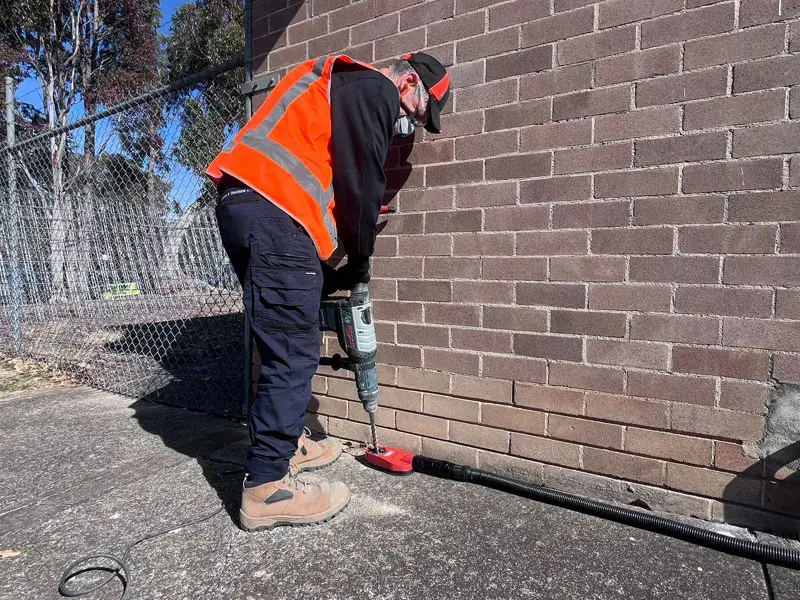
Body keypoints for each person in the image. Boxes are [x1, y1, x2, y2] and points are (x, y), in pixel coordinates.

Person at [205, 51, 451, 531]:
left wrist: (328, 271)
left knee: (280, 339)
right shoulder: (374, 89)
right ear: (406, 86)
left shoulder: (331, 82)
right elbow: (361, 186)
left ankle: (288, 443)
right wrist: (359, 264)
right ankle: (267, 487)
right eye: (413, 115)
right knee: (294, 352)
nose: (407, 126)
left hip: (248, 207)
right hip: (277, 214)